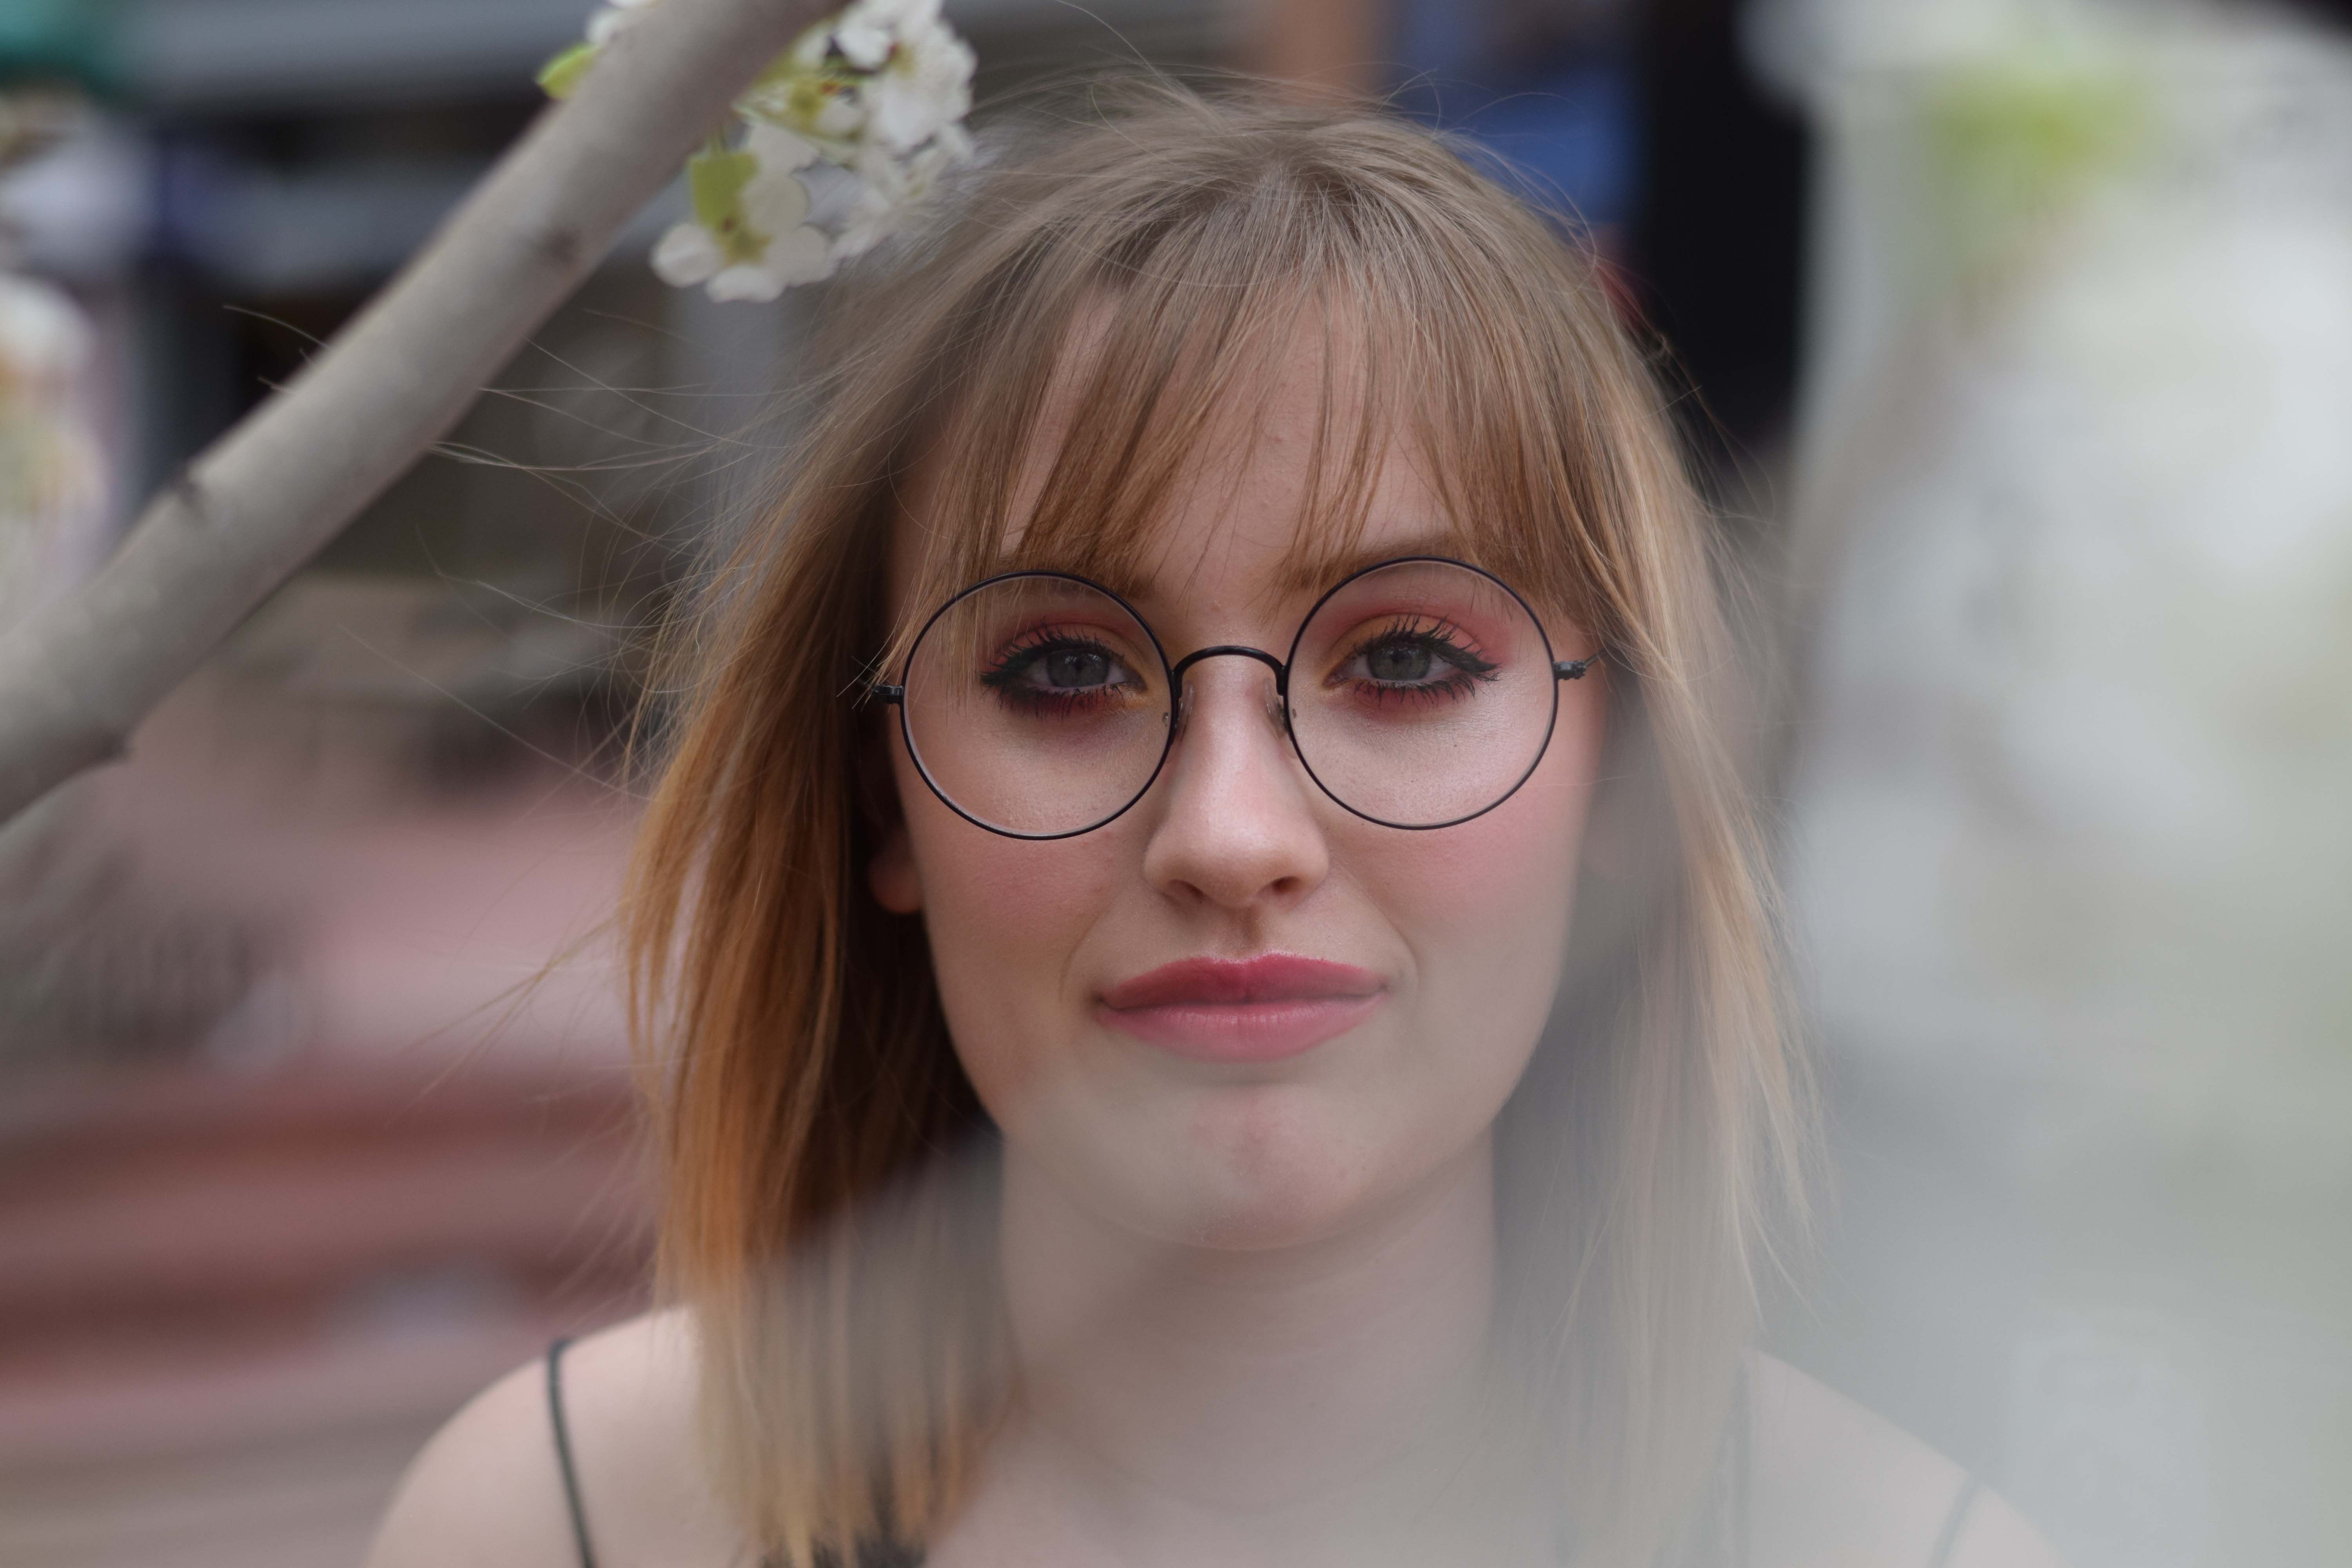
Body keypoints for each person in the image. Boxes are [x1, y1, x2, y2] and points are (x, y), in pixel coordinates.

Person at [363, 87, 2063, 1568]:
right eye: (1062, 669)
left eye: (1406, 659)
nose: (1232, 835)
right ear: (883, 793)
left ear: (1620, 772)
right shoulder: (565, 1532)